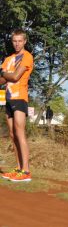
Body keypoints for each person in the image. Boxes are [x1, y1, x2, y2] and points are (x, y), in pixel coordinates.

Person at [0, 29, 33, 182]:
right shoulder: (9, 59)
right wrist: (4, 75)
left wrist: (3, 73)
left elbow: (14, 77)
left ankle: (26, 172)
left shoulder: (27, 57)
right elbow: (2, 80)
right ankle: (19, 168)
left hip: (20, 98)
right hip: (8, 98)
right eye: (15, 41)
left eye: (20, 41)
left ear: (25, 41)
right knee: (13, 135)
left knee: (20, 133)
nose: (17, 43)